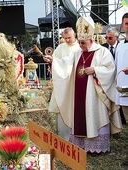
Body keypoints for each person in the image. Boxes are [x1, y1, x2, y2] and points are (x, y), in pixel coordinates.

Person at [48, 16, 122, 154]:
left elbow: (110, 69)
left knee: (94, 116)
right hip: (79, 94)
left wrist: (96, 70)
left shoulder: (102, 52)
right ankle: (81, 145)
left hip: (95, 95)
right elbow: (65, 63)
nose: (80, 45)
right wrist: (53, 61)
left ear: (91, 40)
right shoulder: (78, 53)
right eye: (80, 42)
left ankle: (97, 147)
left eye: (83, 43)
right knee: (80, 116)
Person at [43, 27, 80, 140]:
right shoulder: (60, 47)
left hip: (74, 82)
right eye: (65, 38)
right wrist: (50, 61)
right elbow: (55, 62)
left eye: (69, 38)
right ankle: (62, 135)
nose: (67, 40)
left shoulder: (79, 47)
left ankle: (75, 135)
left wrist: (58, 63)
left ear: (74, 35)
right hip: (61, 84)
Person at [102, 27, 127, 124]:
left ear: (117, 37)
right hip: (108, 79)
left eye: (110, 38)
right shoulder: (103, 48)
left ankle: (122, 119)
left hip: (120, 78)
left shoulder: (123, 47)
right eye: (106, 37)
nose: (107, 40)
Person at [115, 12, 128, 123]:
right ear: (122, 26)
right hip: (124, 90)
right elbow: (115, 67)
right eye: (127, 23)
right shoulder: (120, 46)